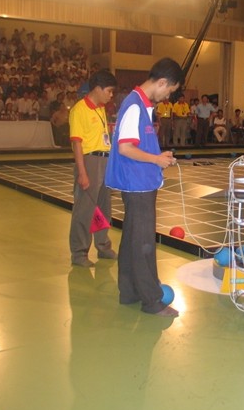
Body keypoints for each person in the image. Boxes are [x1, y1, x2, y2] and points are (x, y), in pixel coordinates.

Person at [105, 57, 184, 317]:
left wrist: (158, 156)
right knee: (143, 243)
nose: (167, 96)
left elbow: (137, 144)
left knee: (132, 239)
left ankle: (129, 292)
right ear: (162, 82)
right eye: (169, 90)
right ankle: (152, 301)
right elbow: (125, 147)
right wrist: (156, 160)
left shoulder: (142, 105)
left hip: (140, 182)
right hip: (136, 184)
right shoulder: (134, 105)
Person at [68, 70, 118, 267]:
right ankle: (79, 253)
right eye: (109, 91)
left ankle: (103, 246)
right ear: (97, 88)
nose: (111, 95)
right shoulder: (79, 110)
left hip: (105, 160)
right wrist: (82, 172)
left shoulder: (100, 109)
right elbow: (77, 144)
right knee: (85, 209)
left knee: (103, 208)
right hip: (89, 161)